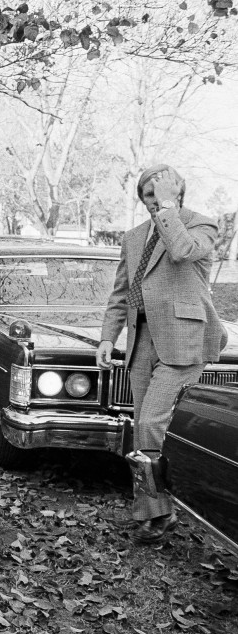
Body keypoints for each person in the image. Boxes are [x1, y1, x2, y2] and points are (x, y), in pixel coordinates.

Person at [96, 164, 227, 543]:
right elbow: (121, 292)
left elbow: (183, 251)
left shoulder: (200, 225)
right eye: (148, 197)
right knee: (143, 427)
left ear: (177, 193)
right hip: (141, 342)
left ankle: (161, 512)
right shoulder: (134, 236)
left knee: (152, 423)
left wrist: (168, 207)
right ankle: (154, 514)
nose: (154, 204)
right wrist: (108, 337)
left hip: (184, 339)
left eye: (162, 195)